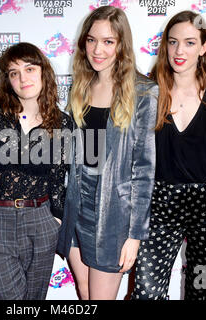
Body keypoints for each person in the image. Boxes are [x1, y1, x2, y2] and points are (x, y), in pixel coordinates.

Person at [131, 11, 206, 300]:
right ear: (164, 45)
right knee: (146, 292)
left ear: (204, 47)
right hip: (160, 208)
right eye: (173, 42)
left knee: (199, 291)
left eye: (190, 43)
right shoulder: (148, 92)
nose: (179, 51)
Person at [56, 6, 159, 300]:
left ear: (121, 45)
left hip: (114, 215)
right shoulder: (82, 86)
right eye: (91, 40)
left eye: (108, 41)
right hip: (77, 206)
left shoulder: (143, 92)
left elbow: (144, 171)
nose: (97, 50)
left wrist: (135, 235)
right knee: (85, 290)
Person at [0, 42, 72, 300]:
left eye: (29, 69)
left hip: (40, 221)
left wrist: (55, 219)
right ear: (8, 80)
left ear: (43, 72)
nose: (22, 78)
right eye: (14, 72)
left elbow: (59, 176)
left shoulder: (62, 123)